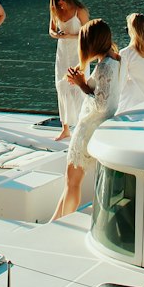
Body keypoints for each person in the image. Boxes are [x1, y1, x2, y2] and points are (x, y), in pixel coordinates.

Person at [50, 19, 121, 221]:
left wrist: (81, 84)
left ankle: (63, 222)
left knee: (72, 183)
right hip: (96, 126)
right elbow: (104, 96)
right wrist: (82, 83)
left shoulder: (105, 66)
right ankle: (54, 221)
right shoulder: (115, 60)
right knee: (70, 181)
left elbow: (101, 104)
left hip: (88, 129)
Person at [48, 0, 90, 140]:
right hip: (62, 53)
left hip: (78, 53)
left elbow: (88, 33)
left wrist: (69, 36)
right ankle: (65, 128)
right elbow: (51, 30)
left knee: (78, 89)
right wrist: (57, 35)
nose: (60, 2)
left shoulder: (80, 11)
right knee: (61, 87)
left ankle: (81, 127)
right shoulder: (55, 10)